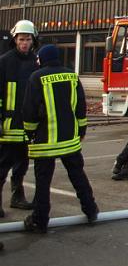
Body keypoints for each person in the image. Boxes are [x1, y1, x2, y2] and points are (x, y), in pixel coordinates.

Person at [21, 44, 98, 232]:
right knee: (78, 176)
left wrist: (29, 133)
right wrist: (81, 131)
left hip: (45, 141)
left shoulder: (36, 77)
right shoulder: (72, 76)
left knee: (43, 183)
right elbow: (81, 106)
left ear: (43, 58)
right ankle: (91, 210)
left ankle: (40, 220)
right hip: (70, 139)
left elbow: (29, 110)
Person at [0, 19, 39, 216]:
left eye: (28, 39)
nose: (24, 43)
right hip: (8, 125)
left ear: (33, 40)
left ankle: (17, 197)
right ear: (15, 40)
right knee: (2, 165)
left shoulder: (35, 62)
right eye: (21, 39)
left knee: (22, 163)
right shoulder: (4, 61)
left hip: (27, 125)